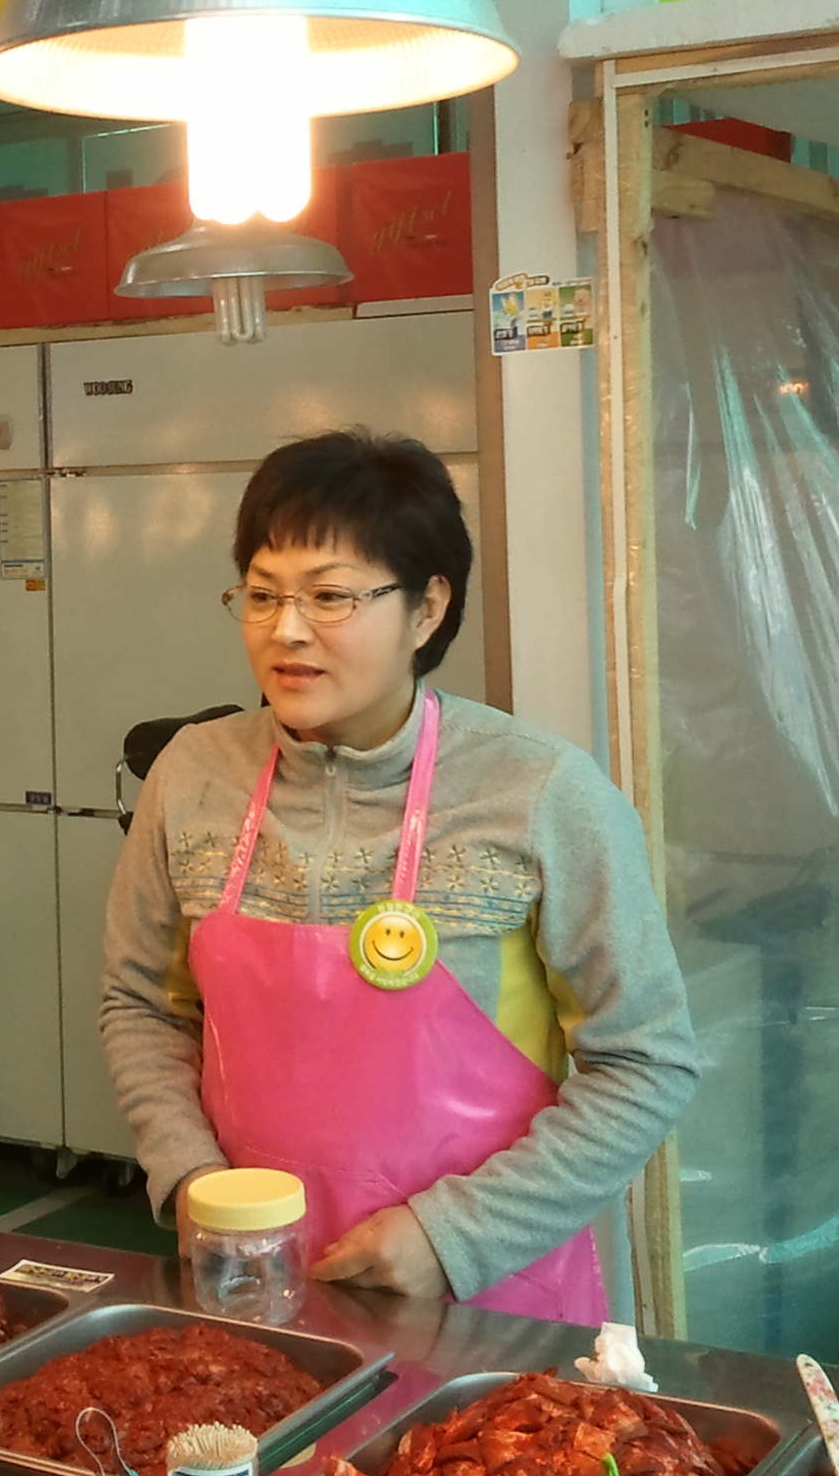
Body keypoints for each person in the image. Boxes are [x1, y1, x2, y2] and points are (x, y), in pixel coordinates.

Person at [100, 429, 698, 1317]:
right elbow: (142, 1004)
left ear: (426, 609)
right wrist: (191, 1179)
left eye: (330, 596)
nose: (286, 630)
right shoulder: (192, 774)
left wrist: (456, 1236)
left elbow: (644, 1063)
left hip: (482, 1297)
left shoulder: (539, 792)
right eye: (262, 595)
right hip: (251, 1282)